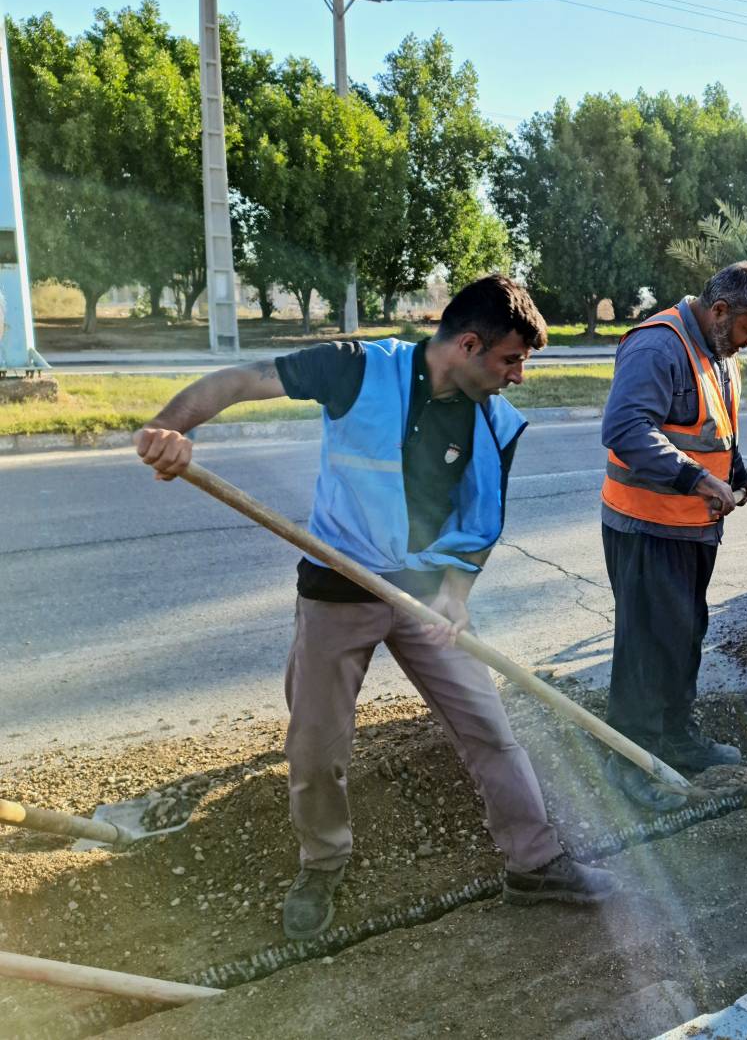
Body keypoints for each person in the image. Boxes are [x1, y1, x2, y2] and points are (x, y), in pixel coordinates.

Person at [134, 274, 618, 940]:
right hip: (337, 587)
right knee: (316, 746)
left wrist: (455, 591)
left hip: (424, 597)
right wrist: (169, 426)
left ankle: (535, 862)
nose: (519, 377)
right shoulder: (357, 369)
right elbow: (242, 380)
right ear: (469, 345)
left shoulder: (489, 418)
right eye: (512, 360)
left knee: (488, 727)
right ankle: (323, 861)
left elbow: (479, 520)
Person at [599, 261, 747, 810]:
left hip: (691, 531)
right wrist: (697, 478)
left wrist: (737, 471)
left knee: (683, 636)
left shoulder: (718, 354)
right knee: (646, 647)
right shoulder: (659, 347)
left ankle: (676, 738)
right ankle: (632, 761)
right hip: (646, 527)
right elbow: (626, 429)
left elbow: (715, 430)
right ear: (721, 311)